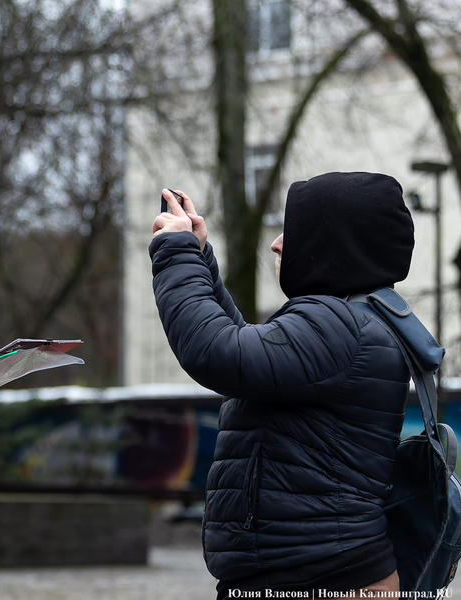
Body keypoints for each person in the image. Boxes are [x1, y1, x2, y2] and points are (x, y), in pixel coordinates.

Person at [149, 173, 416, 598]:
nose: (275, 243)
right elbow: (250, 367)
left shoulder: (337, 325)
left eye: (294, 231)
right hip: (316, 569)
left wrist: (174, 253)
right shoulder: (351, 321)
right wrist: (198, 258)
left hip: (319, 576)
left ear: (332, 244)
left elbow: (219, 354)